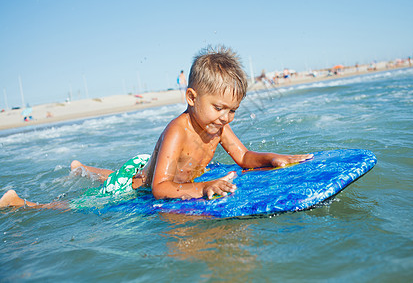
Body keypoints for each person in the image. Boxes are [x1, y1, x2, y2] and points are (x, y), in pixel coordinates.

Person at [0, 46, 313, 208]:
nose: (226, 117)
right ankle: (24, 204)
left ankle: (85, 168)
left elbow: (244, 157)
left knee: (134, 172)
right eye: (219, 108)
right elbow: (159, 188)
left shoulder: (217, 126)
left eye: (233, 110)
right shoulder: (178, 130)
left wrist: (272, 159)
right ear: (191, 97)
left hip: (150, 168)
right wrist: (203, 188)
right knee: (84, 205)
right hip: (138, 185)